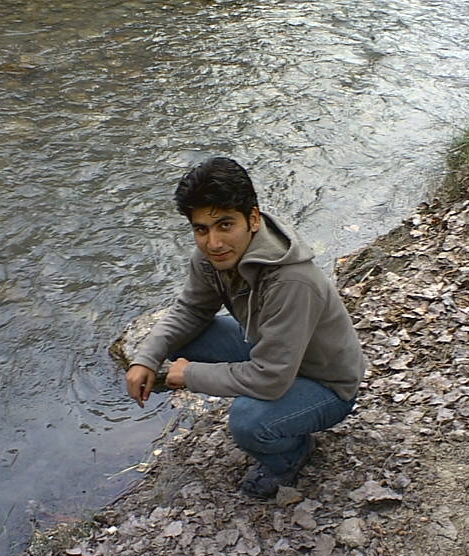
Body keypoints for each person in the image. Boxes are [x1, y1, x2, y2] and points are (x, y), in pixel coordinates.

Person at [126, 157, 365, 498]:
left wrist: (190, 375)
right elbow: (191, 310)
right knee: (180, 339)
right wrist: (145, 358)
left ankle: (293, 454)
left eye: (225, 225)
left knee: (249, 421)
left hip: (326, 383)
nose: (213, 243)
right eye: (201, 229)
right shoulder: (212, 258)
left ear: (253, 218)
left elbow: (270, 378)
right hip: (268, 348)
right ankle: (280, 414)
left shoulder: (293, 281)